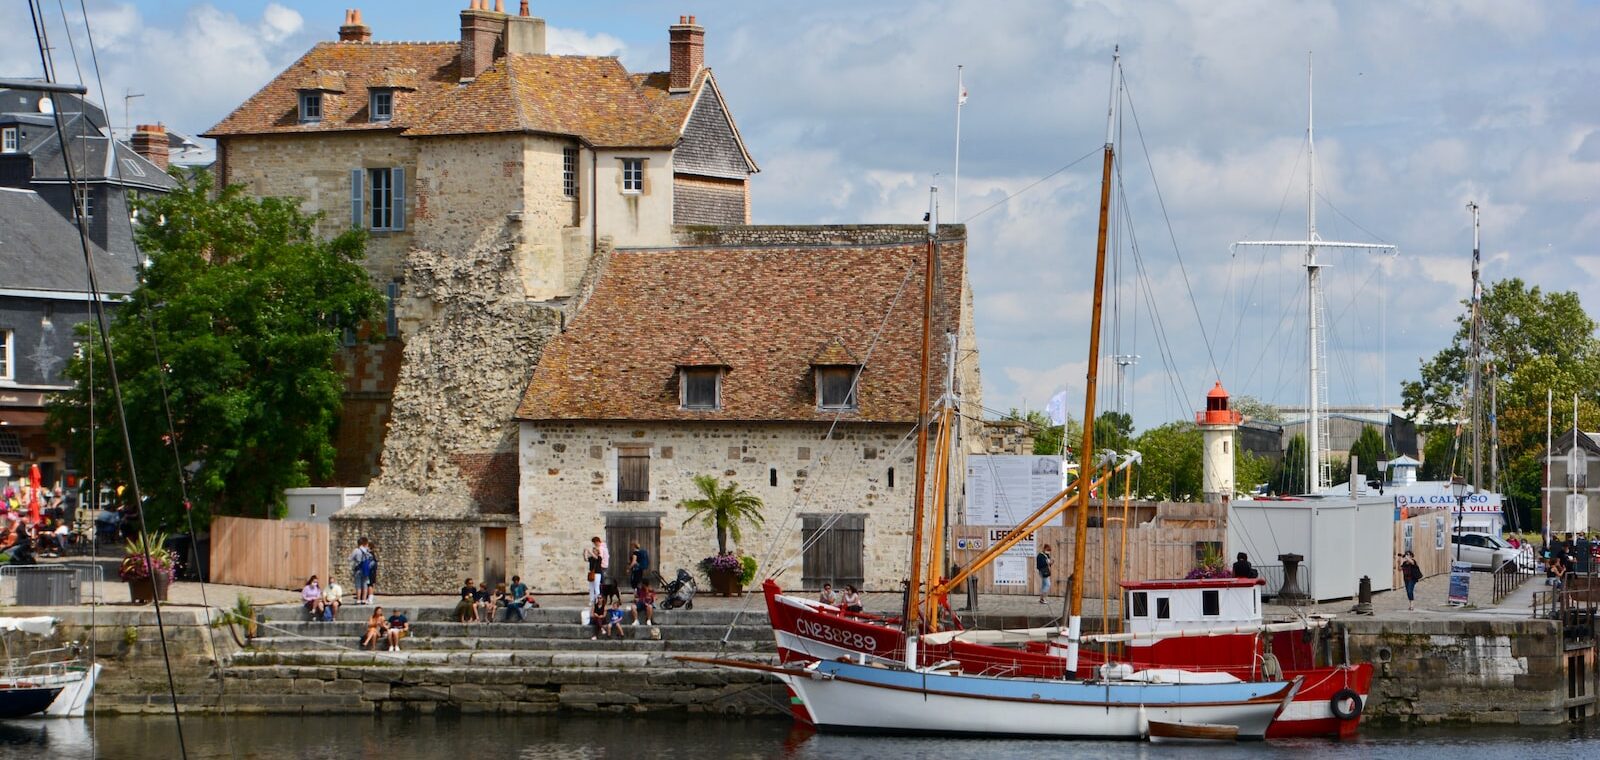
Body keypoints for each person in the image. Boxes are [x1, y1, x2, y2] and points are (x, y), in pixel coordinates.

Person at [349, 537, 375, 605]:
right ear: (365, 543)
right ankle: (364, 600)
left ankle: (358, 599)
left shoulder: (356, 550)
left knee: (358, 585)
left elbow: (350, 558)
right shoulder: (367, 551)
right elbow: (371, 559)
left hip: (358, 570)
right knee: (365, 585)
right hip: (365, 570)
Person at [584, 536, 605, 604]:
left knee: (596, 587)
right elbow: (586, 559)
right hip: (592, 573)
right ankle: (591, 600)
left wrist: (589, 551)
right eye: (593, 550)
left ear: (597, 552)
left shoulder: (599, 558)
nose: (593, 551)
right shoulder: (592, 558)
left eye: (595, 550)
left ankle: (598, 600)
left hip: (597, 573)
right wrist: (585, 552)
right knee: (591, 588)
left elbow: (595, 556)